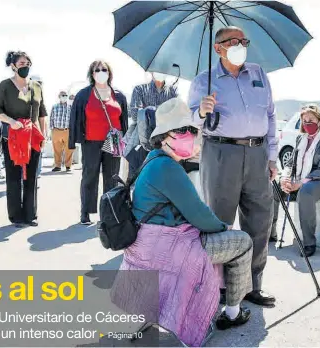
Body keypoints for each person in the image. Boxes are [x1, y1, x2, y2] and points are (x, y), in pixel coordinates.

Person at [116, 98, 254, 341]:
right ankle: (232, 313)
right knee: (242, 242)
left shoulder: (154, 160)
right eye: (180, 130)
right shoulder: (168, 168)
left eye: (190, 129)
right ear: (164, 136)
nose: (188, 134)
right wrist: (223, 227)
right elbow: (199, 214)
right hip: (167, 249)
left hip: (146, 246)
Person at [188, 25, 277, 308]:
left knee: (260, 221)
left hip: (257, 153)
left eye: (243, 40)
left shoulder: (259, 74)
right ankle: (221, 286)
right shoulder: (204, 80)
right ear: (218, 48)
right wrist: (201, 111)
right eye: (233, 41)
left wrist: (272, 157)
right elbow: (191, 123)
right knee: (219, 223)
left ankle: (251, 285)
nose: (240, 44)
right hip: (221, 153)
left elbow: (271, 116)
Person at [69, 60, 128, 225]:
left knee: (112, 177)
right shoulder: (84, 94)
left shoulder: (119, 95)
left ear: (109, 73)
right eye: (97, 70)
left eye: (104, 69)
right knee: (90, 176)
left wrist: (126, 142)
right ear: (92, 74)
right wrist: (73, 142)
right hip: (91, 141)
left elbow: (124, 122)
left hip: (114, 141)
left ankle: (109, 212)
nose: (101, 72)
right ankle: (85, 212)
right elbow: (75, 119)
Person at [279, 104, 320, 257]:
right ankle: (270, 233)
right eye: (304, 120)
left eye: (311, 120)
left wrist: (300, 183)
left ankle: (309, 243)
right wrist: (284, 178)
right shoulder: (301, 138)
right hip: (302, 180)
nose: (307, 123)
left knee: (306, 192)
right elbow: (290, 164)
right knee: (273, 186)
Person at [0, 50, 47, 227]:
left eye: (28, 64)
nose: (26, 67)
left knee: (31, 176)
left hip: (33, 137)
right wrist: (12, 122)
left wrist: (43, 134)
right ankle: (16, 215)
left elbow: (42, 113)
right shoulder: (4, 86)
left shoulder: (37, 86)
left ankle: (30, 214)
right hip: (13, 137)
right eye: (22, 64)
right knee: (14, 176)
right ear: (13, 66)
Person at [124, 72, 178, 176]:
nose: (160, 71)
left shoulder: (173, 91)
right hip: (141, 141)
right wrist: (164, 111)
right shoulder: (139, 89)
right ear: (151, 71)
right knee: (136, 179)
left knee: (160, 178)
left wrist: (149, 111)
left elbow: (177, 114)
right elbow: (136, 115)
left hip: (165, 144)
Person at [49, 91, 73, 172]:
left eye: (66, 95)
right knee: (57, 150)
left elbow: (73, 120)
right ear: (59, 96)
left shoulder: (70, 107)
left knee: (69, 149)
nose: (64, 97)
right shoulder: (54, 107)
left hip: (67, 130)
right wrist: (52, 129)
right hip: (56, 130)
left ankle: (68, 166)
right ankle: (57, 166)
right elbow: (51, 118)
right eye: (63, 95)